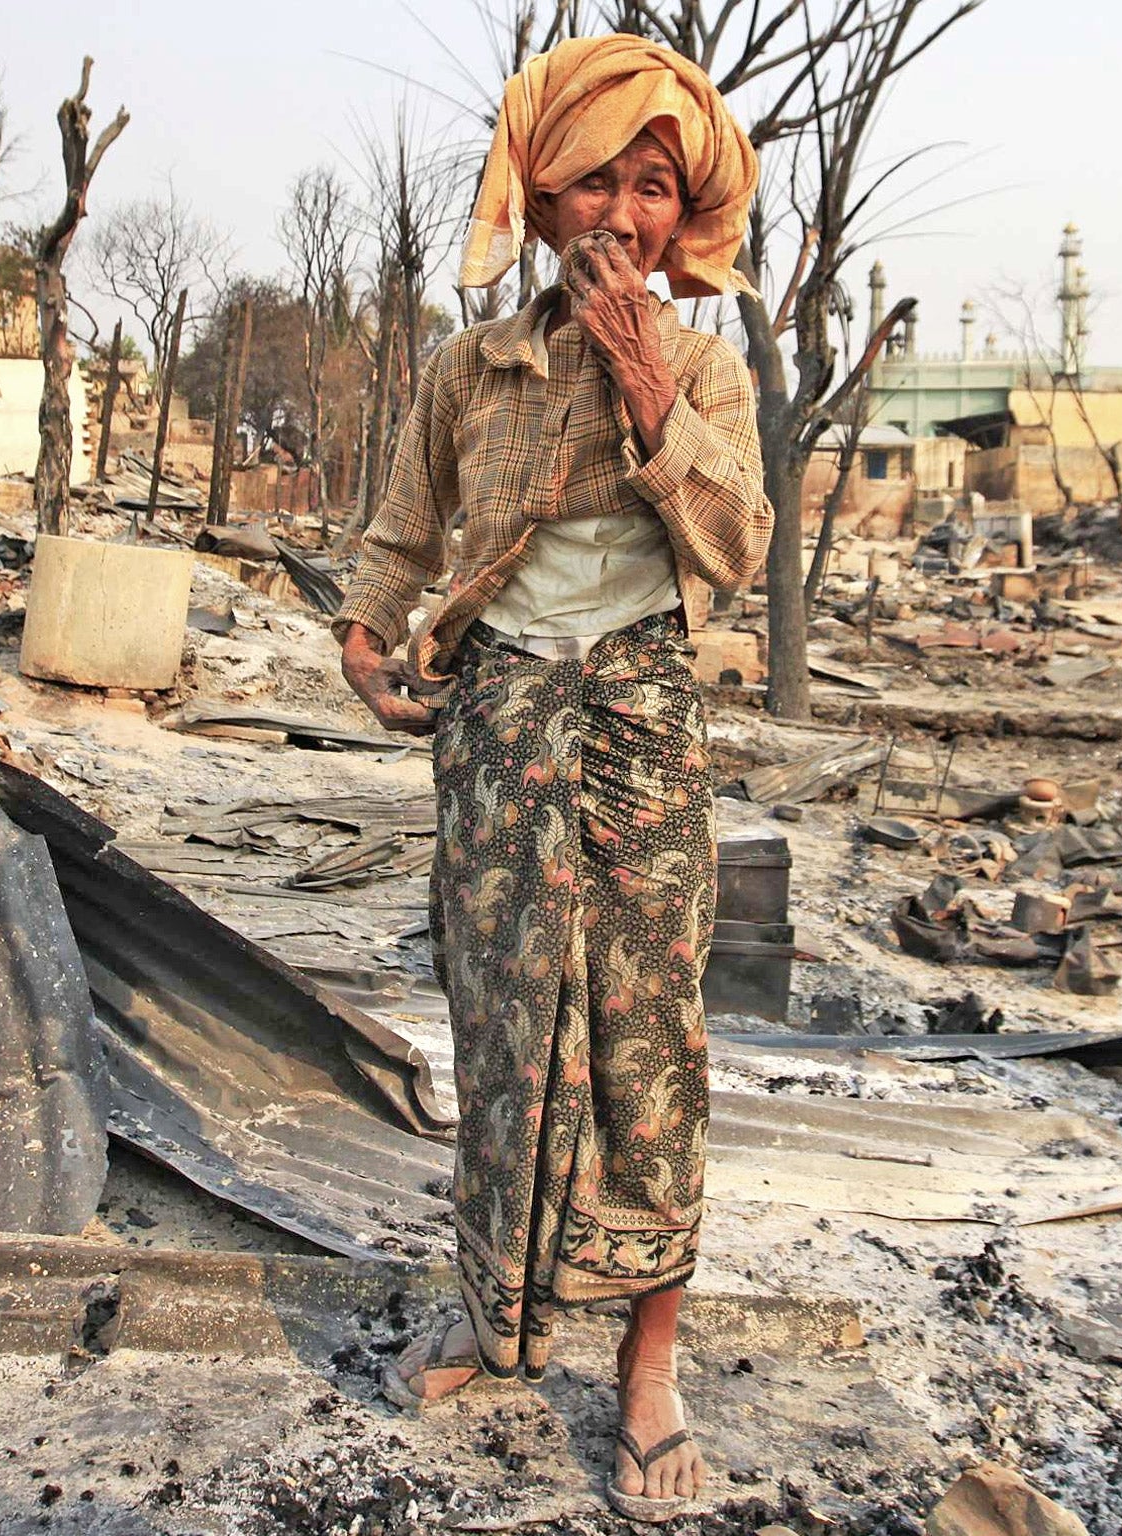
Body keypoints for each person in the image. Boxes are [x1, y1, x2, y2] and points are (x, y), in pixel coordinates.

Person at [331, 33, 770, 1524]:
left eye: (658, 189)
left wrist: (651, 381)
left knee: (648, 1048)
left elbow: (737, 550)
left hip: (643, 724)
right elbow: (399, 539)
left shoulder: (704, 366)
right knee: (504, 1023)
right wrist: (362, 633)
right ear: (541, 190)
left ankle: (649, 1373)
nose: (628, 218)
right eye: (601, 180)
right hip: (498, 725)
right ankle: (494, 1314)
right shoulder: (476, 369)